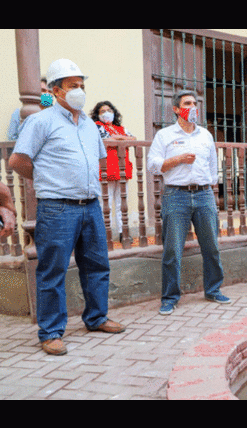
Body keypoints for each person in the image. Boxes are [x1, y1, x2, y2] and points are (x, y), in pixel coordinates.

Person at [8, 58, 126, 356]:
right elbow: (17, 160)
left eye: (82, 86)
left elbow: (99, 159)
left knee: (97, 264)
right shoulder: (40, 121)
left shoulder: (88, 124)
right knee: (53, 270)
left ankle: (97, 317)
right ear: (57, 90)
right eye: (73, 86)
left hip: (90, 206)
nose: (79, 91)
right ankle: (50, 332)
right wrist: (47, 179)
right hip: (58, 208)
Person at [147, 89, 229, 315]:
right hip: (176, 196)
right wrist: (177, 159)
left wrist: (209, 187)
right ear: (176, 109)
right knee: (172, 250)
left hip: (204, 195)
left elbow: (213, 165)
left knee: (211, 246)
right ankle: (170, 297)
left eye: (194, 103)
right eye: (187, 103)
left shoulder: (205, 135)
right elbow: (152, 164)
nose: (192, 107)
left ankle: (213, 290)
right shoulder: (164, 135)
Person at [90, 101, 136, 238]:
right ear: (97, 115)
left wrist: (118, 137)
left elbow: (133, 139)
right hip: (106, 169)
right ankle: (105, 233)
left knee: (122, 203)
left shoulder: (120, 128)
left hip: (122, 168)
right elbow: (107, 139)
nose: (106, 113)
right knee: (106, 203)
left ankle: (123, 232)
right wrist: (122, 139)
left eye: (109, 110)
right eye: (102, 111)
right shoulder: (97, 126)